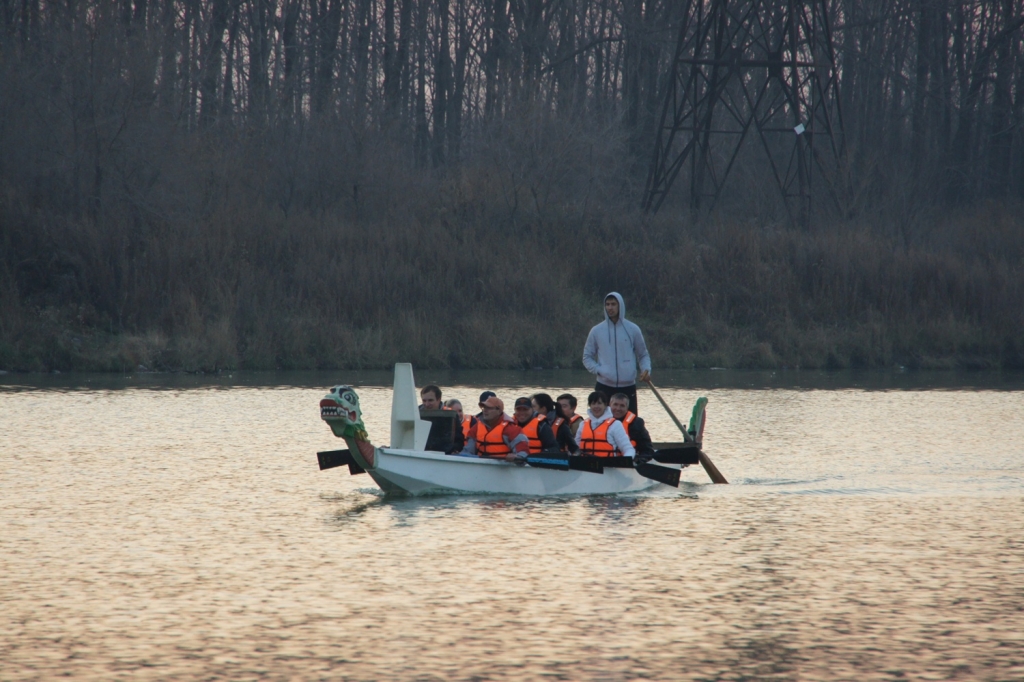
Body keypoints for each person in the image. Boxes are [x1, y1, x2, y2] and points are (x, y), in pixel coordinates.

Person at [582, 292, 651, 414]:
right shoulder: (596, 331)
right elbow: (587, 357)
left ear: (620, 306)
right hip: (604, 386)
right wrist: (599, 370)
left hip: (627, 386)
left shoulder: (633, 329)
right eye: (607, 304)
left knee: (630, 425)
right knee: (603, 424)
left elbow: (643, 355)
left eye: (613, 304)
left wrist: (646, 370)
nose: (610, 308)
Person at [463, 396, 530, 462]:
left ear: (499, 411)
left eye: (489, 408)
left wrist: (517, 457)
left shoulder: (511, 429)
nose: (485, 410)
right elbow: (468, 451)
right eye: (484, 407)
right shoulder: (476, 427)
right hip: (481, 466)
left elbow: (523, 453)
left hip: (504, 469)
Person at [575, 391, 635, 458]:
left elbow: (628, 449)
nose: (596, 406)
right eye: (593, 403)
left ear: (605, 405)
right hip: (585, 465)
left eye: (599, 403)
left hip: (608, 466)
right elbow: (575, 448)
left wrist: (625, 462)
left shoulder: (615, 425)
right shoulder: (582, 424)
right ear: (590, 405)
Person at [609, 392, 654, 460]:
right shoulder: (600, 421)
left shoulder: (637, 423)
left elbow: (647, 450)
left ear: (627, 408)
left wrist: (640, 460)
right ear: (610, 405)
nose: (618, 408)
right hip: (605, 461)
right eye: (615, 404)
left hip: (628, 463)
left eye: (622, 406)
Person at [419, 385, 463, 453]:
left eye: (430, 400)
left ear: (439, 399)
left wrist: (454, 450)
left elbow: (459, 440)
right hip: (421, 452)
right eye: (424, 401)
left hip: (445, 454)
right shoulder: (415, 414)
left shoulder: (451, 415)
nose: (427, 404)